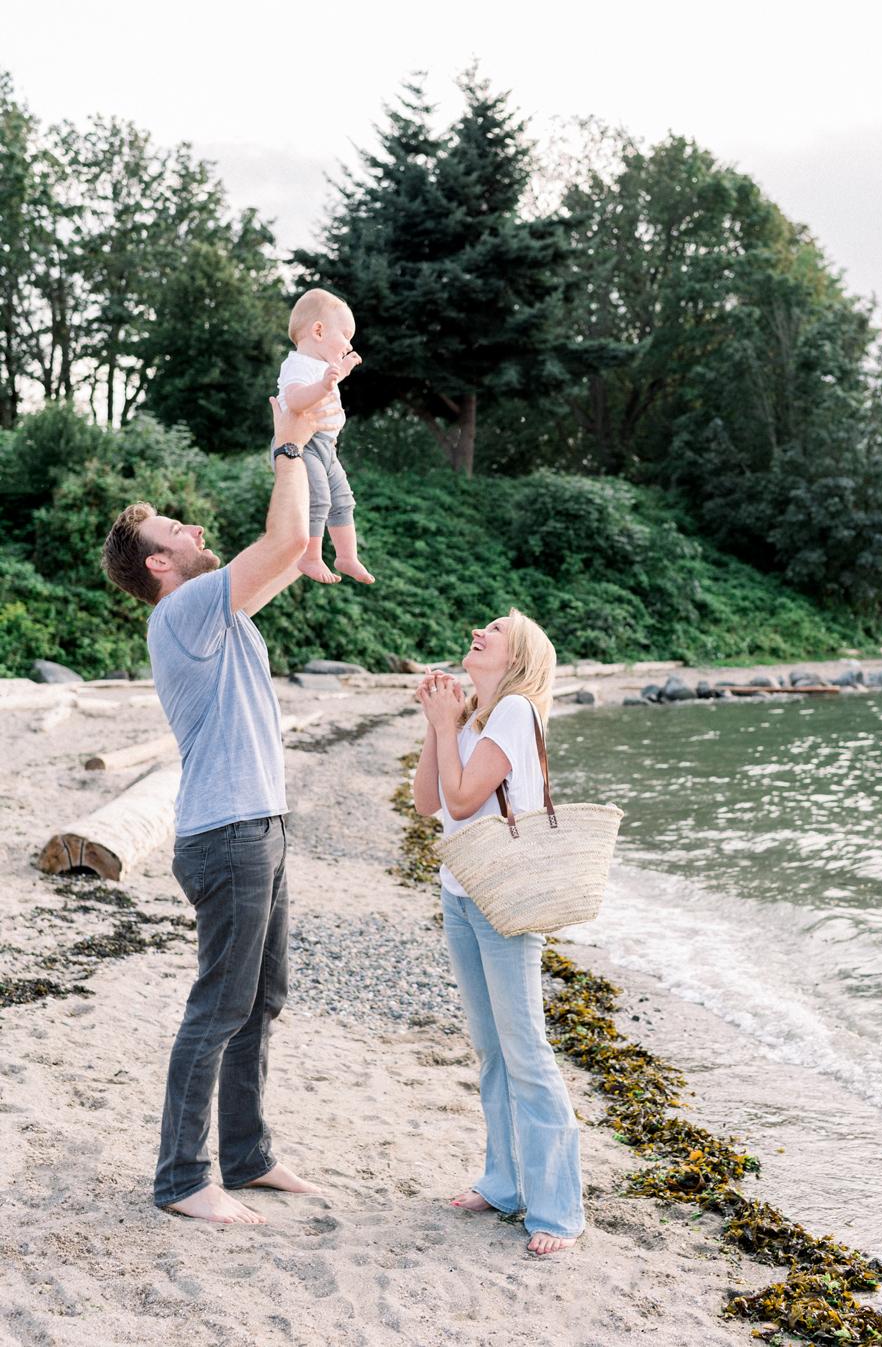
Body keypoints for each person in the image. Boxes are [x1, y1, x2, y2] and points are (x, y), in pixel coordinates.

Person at [100, 391, 338, 1225]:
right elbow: (277, 539)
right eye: (179, 533)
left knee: (262, 998)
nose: (197, 532)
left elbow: (295, 545)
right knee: (220, 1006)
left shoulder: (221, 611)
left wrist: (314, 439)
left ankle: (247, 1154)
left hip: (258, 827)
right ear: (159, 565)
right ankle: (180, 1177)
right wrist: (283, 444)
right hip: (226, 835)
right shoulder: (183, 611)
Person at [412, 609, 585, 1256]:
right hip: (462, 893)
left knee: (527, 1052)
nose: (479, 631)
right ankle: (505, 1182)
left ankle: (559, 1210)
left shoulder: (515, 710)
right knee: (491, 1047)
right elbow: (429, 800)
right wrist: (441, 725)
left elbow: (461, 802)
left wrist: (446, 722)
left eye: (495, 628)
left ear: (519, 656)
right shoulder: (483, 718)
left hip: (503, 900)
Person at [277, 287, 374, 586]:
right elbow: (294, 401)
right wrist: (325, 384)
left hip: (325, 447)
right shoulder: (297, 364)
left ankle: (347, 556)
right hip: (302, 444)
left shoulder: (322, 368)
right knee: (318, 497)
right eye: (345, 334)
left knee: (343, 500)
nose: (349, 344)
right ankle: (310, 556)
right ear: (318, 331)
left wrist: (339, 373)